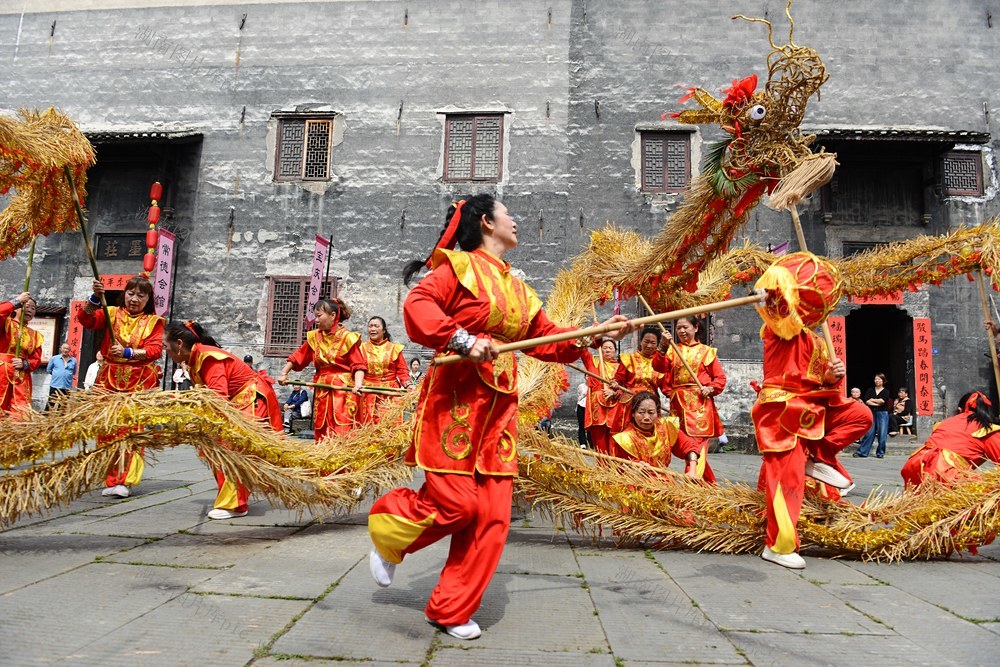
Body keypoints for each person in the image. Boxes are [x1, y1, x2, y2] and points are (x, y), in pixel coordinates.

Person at [367, 194, 633, 640]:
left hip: (499, 413)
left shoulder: (517, 287)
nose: (516, 222)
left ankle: (450, 608)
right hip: (455, 403)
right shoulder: (457, 268)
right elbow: (418, 307)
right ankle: (390, 531)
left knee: (492, 516)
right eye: (509, 215)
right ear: (487, 222)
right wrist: (460, 339)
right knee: (456, 503)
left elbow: (545, 338)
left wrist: (593, 334)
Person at [751, 252, 871, 569]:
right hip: (782, 410)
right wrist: (773, 293)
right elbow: (771, 295)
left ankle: (815, 457)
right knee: (787, 479)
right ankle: (777, 545)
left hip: (811, 407)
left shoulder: (817, 341)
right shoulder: (781, 327)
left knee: (861, 416)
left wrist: (832, 375)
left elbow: (819, 379)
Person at [163, 320, 282, 519]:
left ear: (179, 344)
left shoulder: (209, 358)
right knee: (220, 446)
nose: (164, 350)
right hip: (235, 402)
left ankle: (235, 504)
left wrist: (199, 422)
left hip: (249, 399)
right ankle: (233, 500)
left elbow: (218, 398)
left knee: (232, 448)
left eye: (166, 346)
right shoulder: (196, 359)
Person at [79, 276, 164, 499]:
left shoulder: (154, 322)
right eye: (131, 293)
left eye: (141, 295)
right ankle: (110, 478)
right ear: (124, 293)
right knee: (108, 429)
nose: (134, 299)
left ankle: (126, 479)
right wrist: (95, 298)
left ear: (148, 299)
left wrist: (128, 353)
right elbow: (86, 320)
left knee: (132, 431)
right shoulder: (111, 312)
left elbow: (155, 350)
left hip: (138, 381)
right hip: (109, 379)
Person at [277, 298, 365, 440]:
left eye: (319, 316)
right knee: (321, 425)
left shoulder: (348, 338)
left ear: (333, 315)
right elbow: (299, 356)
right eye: (315, 315)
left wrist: (358, 384)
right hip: (322, 388)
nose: (316, 319)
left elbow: (358, 365)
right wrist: (284, 373)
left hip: (343, 390)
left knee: (342, 425)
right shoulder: (314, 337)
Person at [654, 316, 725, 482]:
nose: (682, 331)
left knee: (696, 447)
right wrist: (663, 345)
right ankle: (710, 488)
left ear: (696, 328)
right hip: (678, 404)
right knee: (688, 448)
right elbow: (659, 368)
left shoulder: (707, 352)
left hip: (700, 405)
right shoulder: (672, 350)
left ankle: (690, 491)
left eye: (685, 327)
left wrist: (710, 388)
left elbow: (720, 378)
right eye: (678, 328)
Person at [901, 391, 1000, 488]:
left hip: (916, 466)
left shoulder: (945, 423)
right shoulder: (987, 429)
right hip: (945, 473)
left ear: (959, 409)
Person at [610, 391, 700, 475]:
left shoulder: (667, 427)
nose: (646, 417)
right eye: (641, 412)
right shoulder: (625, 439)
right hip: (636, 483)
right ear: (633, 413)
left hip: (664, 482)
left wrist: (692, 470)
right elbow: (620, 467)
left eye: (651, 412)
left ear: (657, 413)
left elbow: (689, 447)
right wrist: (634, 466)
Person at [612, 326, 664, 434]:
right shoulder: (629, 359)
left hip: (651, 403)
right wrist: (615, 384)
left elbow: (666, 387)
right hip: (630, 401)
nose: (649, 345)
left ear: (658, 344)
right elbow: (618, 380)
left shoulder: (660, 363)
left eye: (653, 343)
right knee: (627, 434)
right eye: (646, 341)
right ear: (641, 342)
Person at [358, 316, 409, 424]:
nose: (372, 329)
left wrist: (408, 385)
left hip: (390, 393)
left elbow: (402, 371)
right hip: (367, 391)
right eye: (370, 326)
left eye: (376, 326)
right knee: (367, 426)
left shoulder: (394, 348)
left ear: (384, 330)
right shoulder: (361, 348)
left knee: (388, 426)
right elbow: (357, 368)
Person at [0, 292, 41, 417]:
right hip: (2, 372)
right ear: (18, 307)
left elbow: (36, 359)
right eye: (27, 306)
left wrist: (25, 363)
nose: (30, 310)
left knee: (20, 412)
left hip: (21, 376)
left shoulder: (35, 335)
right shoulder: (5, 324)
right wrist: (16, 300)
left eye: (33, 308)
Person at [581, 338, 624, 454]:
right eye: (605, 348)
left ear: (615, 351)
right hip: (597, 409)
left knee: (614, 443)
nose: (607, 350)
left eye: (610, 348)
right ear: (600, 350)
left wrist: (614, 393)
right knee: (599, 444)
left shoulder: (621, 367)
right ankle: (602, 469)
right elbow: (583, 350)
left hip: (615, 407)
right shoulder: (594, 363)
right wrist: (595, 334)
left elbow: (626, 387)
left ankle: (614, 470)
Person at [854, 373, 891, 458]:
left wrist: (872, 400)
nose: (877, 381)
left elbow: (883, 401)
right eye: (876, 379)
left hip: (882, 413)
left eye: (879, 379)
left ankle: (880, 453)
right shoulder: (870, 390)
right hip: (871, 413)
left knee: (882, 433)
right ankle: (862, 452)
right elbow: (866, 400)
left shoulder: (886, 391)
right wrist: (876, 403)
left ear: (883, 380)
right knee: (869, 433)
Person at [45, 342, 76, 410]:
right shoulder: (54, 358)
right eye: (64, 348)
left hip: (67, 386)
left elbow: (73, 372)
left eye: (67, 349)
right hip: (55, 385)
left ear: (69, 350)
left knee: (63, 405)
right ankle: (45, 417)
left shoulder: (73, 360)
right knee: (51, 403)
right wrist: (57, 374)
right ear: (61, 349)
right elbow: (49, 370)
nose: (65, 350)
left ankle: (60, 419)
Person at [575, 380, 589, 448]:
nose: (588, 378)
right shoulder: (581, 386)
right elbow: (579, 396)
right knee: (581, 425)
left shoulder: (595, 386)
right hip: (581, 406)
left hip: (590, 407)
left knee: (590, 425)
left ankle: (590, 442)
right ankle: (582, 442)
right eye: (586, 376)